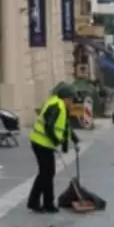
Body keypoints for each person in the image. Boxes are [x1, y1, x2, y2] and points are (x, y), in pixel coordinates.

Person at [28, 84, 77, 214]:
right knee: (46, 174)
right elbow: (49, 126)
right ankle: (39, 203)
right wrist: (56, 141)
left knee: (47, 173)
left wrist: (73, 140)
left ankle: (44, 203)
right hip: (41, 143)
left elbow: (65, 127)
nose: (72, 103)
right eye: (71, 100)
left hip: (44, 143)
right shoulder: (58, 105)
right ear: (66, 98)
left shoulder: (60, 105)